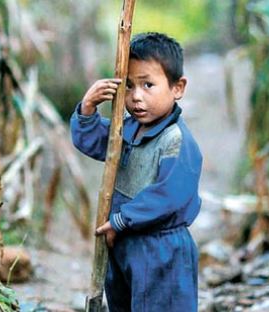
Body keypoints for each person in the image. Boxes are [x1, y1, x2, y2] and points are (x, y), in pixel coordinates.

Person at [70, 32, 202, 312]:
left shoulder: (175, 141)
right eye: (128, 86)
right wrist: (87, 109)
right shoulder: (127, 128)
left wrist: (123, 219)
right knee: (124, 303)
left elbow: (168, 196)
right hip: (122, 243)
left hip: (161, 250)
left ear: (178, 88)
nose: (136, 96)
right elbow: (93, 141)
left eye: (148, 85)